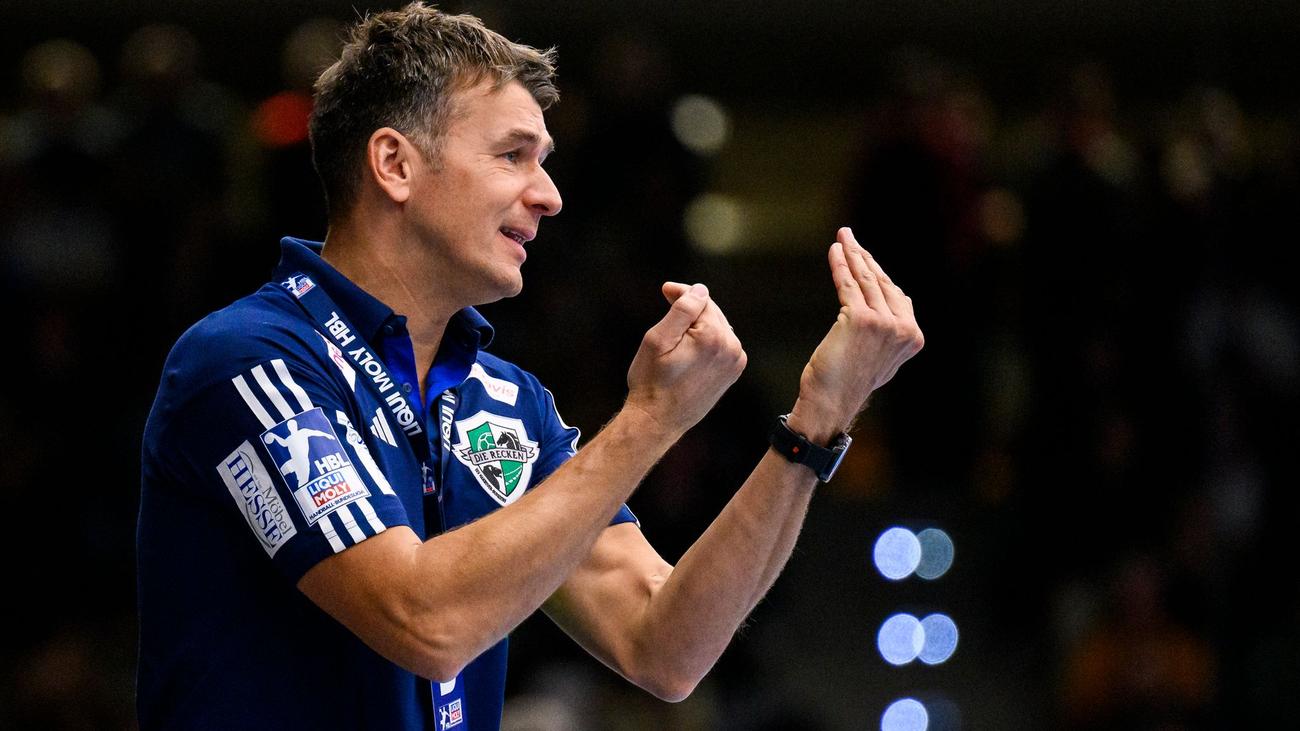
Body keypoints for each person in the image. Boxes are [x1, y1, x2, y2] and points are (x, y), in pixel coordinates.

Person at [135, 4, 924, 730]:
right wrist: (650, 421)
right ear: (394, 164)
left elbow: (666, 646)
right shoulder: (248, 361)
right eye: (513, 155)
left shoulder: (506, 401)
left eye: (544, 161)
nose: (549, 195)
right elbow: (425, 622)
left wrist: (817, 421)